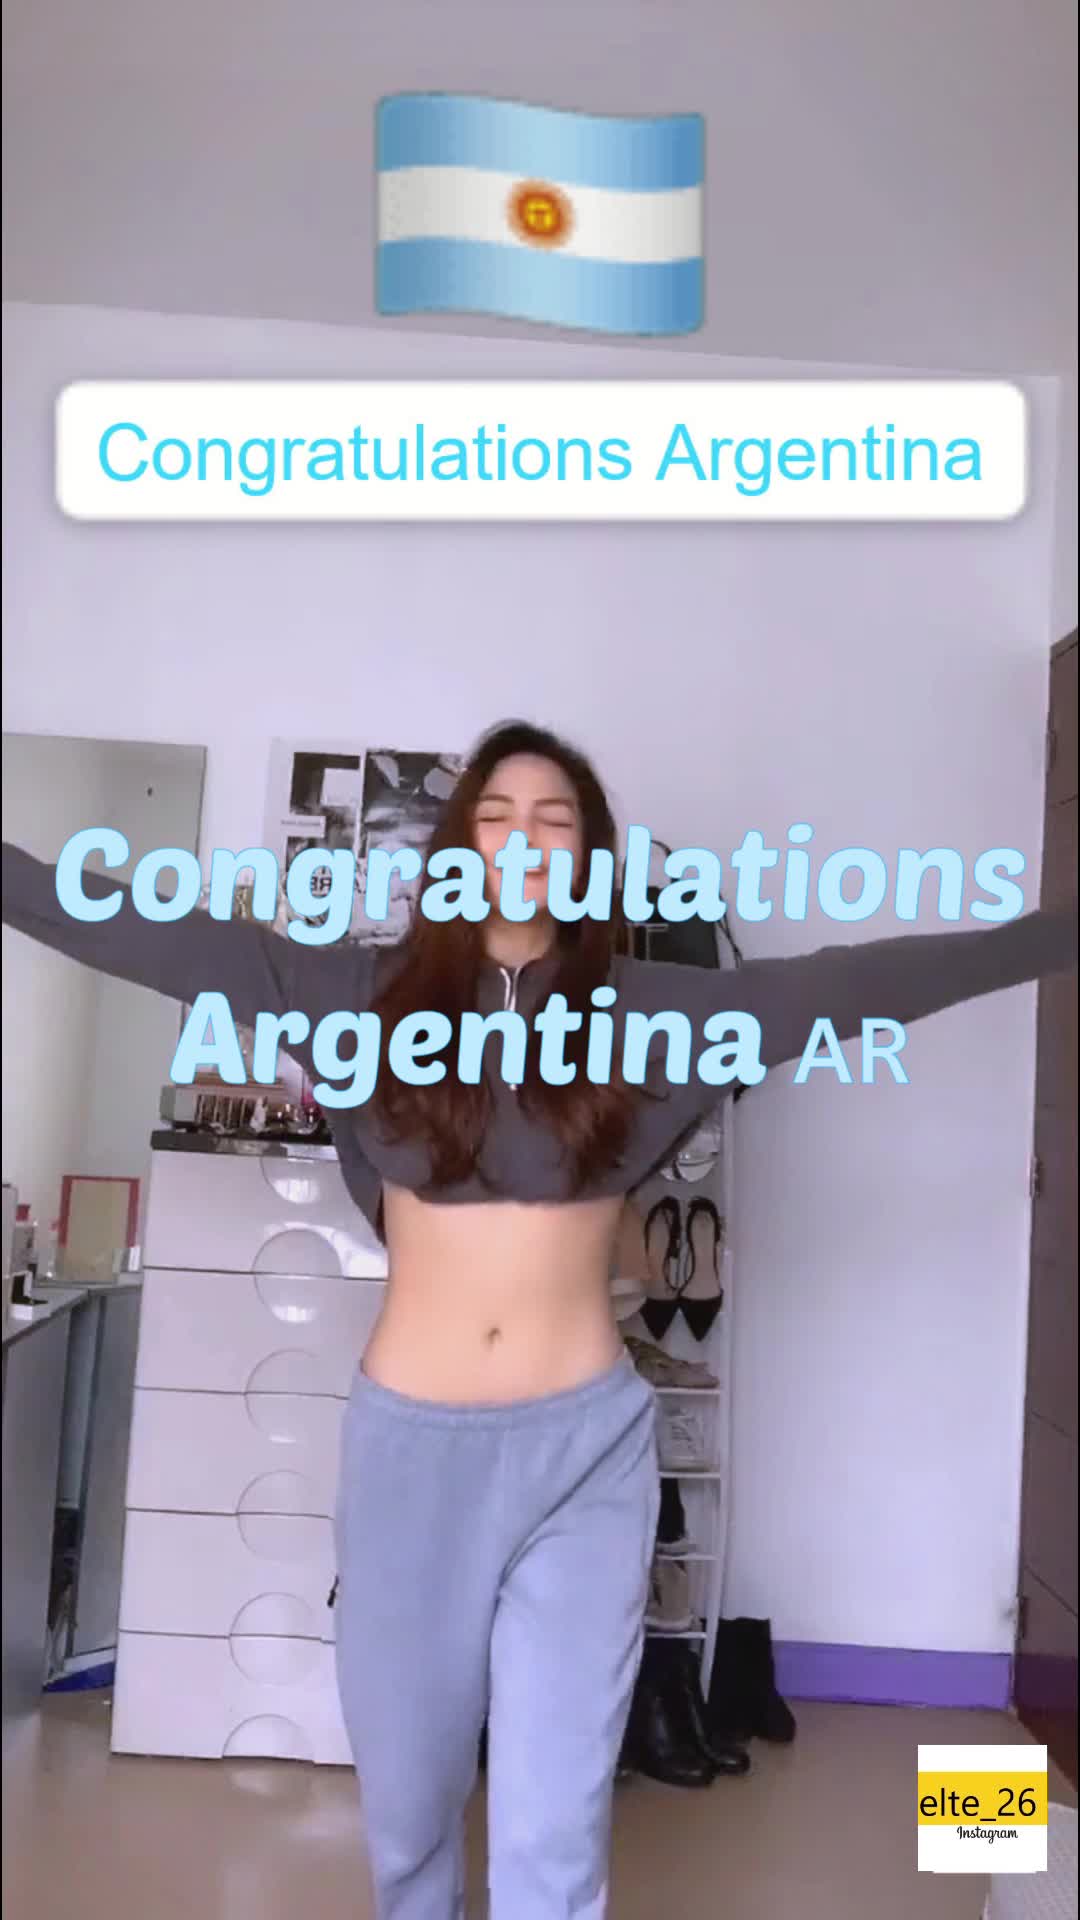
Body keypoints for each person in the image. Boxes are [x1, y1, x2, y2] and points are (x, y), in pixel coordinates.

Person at [2, 718, 1075, 1920]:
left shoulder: (655, 1014)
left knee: (554, 1836)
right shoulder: (352, 993)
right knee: (411, 1819)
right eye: (497, 815)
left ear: (588, 857)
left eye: (554, 820)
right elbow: (133, 928)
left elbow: (857, 983)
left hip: (585, 1457)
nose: (523, 839)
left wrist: (1052, 937)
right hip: (412, 1459)